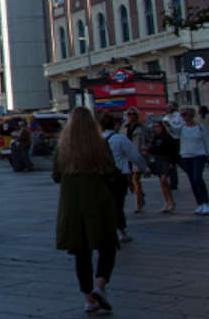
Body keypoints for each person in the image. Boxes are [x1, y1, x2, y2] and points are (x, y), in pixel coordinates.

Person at [52, 107, 119, 315]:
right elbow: (111, 171)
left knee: (81, 252)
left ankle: (89, 298)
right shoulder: (99, 144)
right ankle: (100, 285)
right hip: (98, 201)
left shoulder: (62, 147)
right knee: (107, 245)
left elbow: (56, 175)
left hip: (72, 205)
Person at [101, 111, 148, 241]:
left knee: (107, 204)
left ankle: (110, 230)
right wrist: (145, 168)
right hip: (119, 175)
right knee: (118, 204)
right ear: (116, 125)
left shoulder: (97, 138)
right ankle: (122, 231)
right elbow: (135, 156)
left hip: (102, 176)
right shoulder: (120, 138)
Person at [168, 106, 209, 215]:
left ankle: (206, 202)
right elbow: (173, 131)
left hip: (199, 155)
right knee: (192, 180)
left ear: (191, 115)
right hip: (186, 156)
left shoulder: (200, 127)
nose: (184, 117)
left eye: (185, 115)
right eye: (182, 115)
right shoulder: (181, 128)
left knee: (197, 177)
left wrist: (207, 154)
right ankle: (199, 203)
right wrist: (167, 123)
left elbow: (206, 141)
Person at [147, 119, 179, 213]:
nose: (156, 129)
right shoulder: (155, 138)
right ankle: (168, 201)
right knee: (162, 183)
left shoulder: (168, 138)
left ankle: (170, 201)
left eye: (158, 126)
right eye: (154, 127)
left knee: (163, 179)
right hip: (158, 160)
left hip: (166, 160)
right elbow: (152, 149)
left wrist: (172, 162)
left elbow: (173, 151)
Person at [123, 109, 149, 214]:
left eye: (133, 114)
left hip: (137, 154)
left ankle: (138, 203)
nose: (131, 116)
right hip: (126, 155)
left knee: (136, 179)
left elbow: (148, 139)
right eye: (129, 114)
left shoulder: (142, 127)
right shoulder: (124, 127)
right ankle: (140, 194)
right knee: (129, 180)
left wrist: (145, 149)